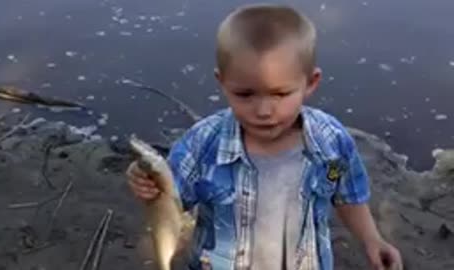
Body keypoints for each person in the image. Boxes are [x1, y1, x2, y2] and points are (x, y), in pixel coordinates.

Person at [127, 3, 403, 270]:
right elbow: (170, 200)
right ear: (222, 82)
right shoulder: (202, 146)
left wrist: (372, 239)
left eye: (280, 94)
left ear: (310, 83)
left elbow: (346, 194)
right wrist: (149, 185)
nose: (263, 111)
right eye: (245, 94)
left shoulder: (331, 145)